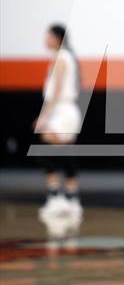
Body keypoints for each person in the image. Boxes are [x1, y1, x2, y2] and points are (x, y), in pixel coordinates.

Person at [34, 24, 83, 234]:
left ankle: (56, 198)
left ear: (56, 38)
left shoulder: (61, 58)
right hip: (68, 109)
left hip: (61, 110)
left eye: (47, 36)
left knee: (48, 149)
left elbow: (56, 89)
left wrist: (44, 116)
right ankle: (72, 200)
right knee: (64, 153)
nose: (45, 39)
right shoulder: (68, 57)